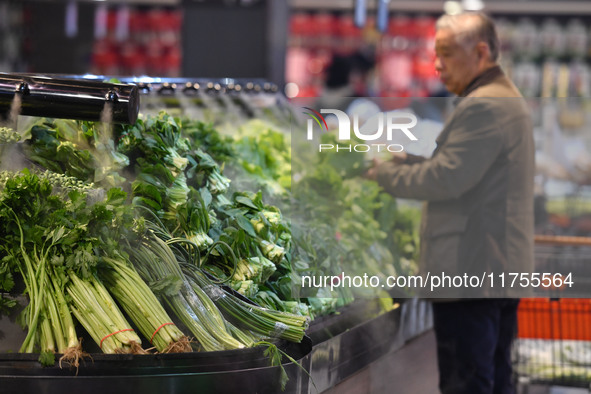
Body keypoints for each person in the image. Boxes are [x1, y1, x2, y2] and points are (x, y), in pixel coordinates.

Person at [366, 12, 534, 394]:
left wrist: (385, 176)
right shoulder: (502, 97)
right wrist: (408, 161)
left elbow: (448, 179)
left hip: (470, 266)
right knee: (492, 376)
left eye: (446, 54)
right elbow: (469, 173)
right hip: (493, 265)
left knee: (467, 381)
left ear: (480, 52)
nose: (437, 64)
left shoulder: (484, 105)